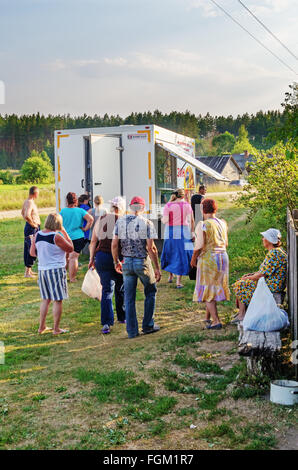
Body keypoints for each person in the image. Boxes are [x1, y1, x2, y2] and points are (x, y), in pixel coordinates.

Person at [112, 196, 161, 339]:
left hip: (126, 262)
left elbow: (114, 244)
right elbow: (151, 248)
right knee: (150, 291)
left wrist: (116, 261)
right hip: (142, 261)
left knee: (129, 297)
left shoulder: (120, 222)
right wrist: (157, 268)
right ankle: (148, 325)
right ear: (143, 208)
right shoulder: (147, 223)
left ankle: (132, 331)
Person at [30, 213, 74, 335]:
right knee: (58, 300)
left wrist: (45, 254)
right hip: (55, 270)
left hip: (42, 270)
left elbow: (32, 253)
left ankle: (41, 327)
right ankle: (56, 329)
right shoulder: (56, 236)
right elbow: (70, 248)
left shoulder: (37, 235)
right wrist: (65, 233)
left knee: (45, 299)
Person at [88, 196, 126, 334]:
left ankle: (106, 323)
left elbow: (93, 241)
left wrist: (91, 258)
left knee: (106, 290)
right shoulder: (122, 220)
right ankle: (122, 316)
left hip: (102, 256)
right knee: (121, 287)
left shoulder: (102, 218)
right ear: (122, 208)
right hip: (118, 257)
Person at [232, 228, 287, 322]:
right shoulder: (276, 251)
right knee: (243, 280)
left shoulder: (274, 253)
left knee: (241, 284)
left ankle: (242, 315)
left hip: (272, 286)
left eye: (264, 237)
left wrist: (248, 278)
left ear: (269, 240)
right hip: (272, 283)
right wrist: (251, 275)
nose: (262, 239)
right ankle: (243, 312)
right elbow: (264, 270)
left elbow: (262, 274)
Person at [191, 198, 230, 330]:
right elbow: (226, 243)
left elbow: (199, 245)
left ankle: (216, 321)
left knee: (207, 289)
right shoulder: (222, 223)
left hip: (209, 258)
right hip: (223, 257)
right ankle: (207, 317)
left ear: (202, 209)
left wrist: (193, 258)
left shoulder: (203, 224)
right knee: (212, 287)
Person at [161, 188, 194, 288]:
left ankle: (170, 276)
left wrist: (163, 218)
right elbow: (192, 220)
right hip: (184, 230)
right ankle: (178, 281)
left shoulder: (168, 205)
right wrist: (192, 232)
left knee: (171, 251)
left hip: (171, 230)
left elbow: (165, 220)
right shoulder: (187, 205)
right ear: (183, 195)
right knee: (182, 253)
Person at [60, 192, 93, 282]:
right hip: (78, 237)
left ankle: (62, 277)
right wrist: (86, 228)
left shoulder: (62, 211)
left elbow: (57, 223)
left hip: (65, 237)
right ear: (76, 201)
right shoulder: (80, 211)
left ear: (67, 200)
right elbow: (91, 219)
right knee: (74, 258)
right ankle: (72, 278)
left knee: (66, 257)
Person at [21, 186, 40, 278]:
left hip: (30, 227)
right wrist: (33, 224)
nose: (38, 195)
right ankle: (27, 273)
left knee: (28, 247)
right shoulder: (29, 202)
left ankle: (29, 270)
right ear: (35, 193)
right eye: (38, 193)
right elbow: (26, 215)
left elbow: (22, 213)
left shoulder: (27, 201)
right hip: (32, 228)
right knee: (32, 248)